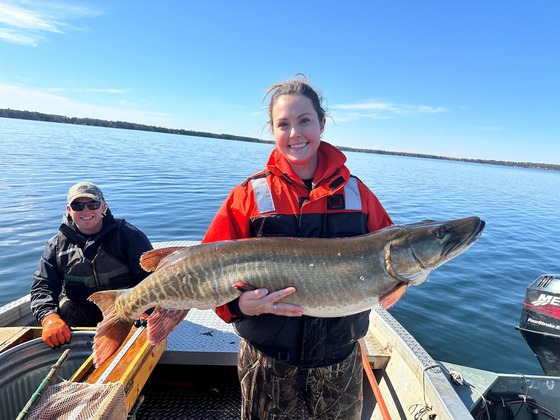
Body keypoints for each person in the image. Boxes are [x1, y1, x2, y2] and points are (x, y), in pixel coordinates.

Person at [202, 75, 393, 419]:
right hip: (268, 357)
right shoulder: (248, 195)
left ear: (321, 123)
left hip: (339, 358)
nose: (295, 134)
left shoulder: (358, 193)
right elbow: (207, 270)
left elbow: (393, 254)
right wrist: (240, 306)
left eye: (304, 121)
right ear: (272, 130)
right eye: (283, 124)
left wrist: (403, 283)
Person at [31, 182, 153, 349]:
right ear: (69, 209)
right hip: (79, 311)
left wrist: (147, 310)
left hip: (127, 309)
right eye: (78, 205)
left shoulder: (129, 236)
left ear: (103, 207)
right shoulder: (56, 246)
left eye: (93, 204)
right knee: (59, 323)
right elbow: (43, 286)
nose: (86, 211)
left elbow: (153, 279)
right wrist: (49, 318)